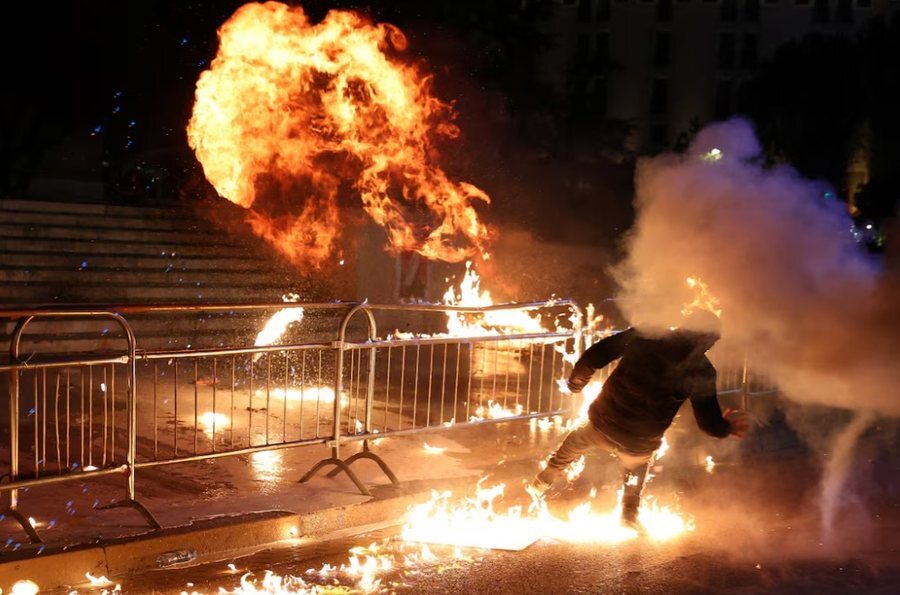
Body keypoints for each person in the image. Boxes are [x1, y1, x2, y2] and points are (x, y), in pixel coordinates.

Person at [529, 310, 748, 528]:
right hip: (640, 442)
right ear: (702, 336)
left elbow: (595, 356)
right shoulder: (702, 371)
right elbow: (708, 423)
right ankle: (629, 515)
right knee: (636, 467)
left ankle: (540, 484)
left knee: (576, 442)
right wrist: (725, 427)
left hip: (601, 424)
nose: (712, 345)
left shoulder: (648, 334)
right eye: (712, 339)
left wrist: (575, 384)